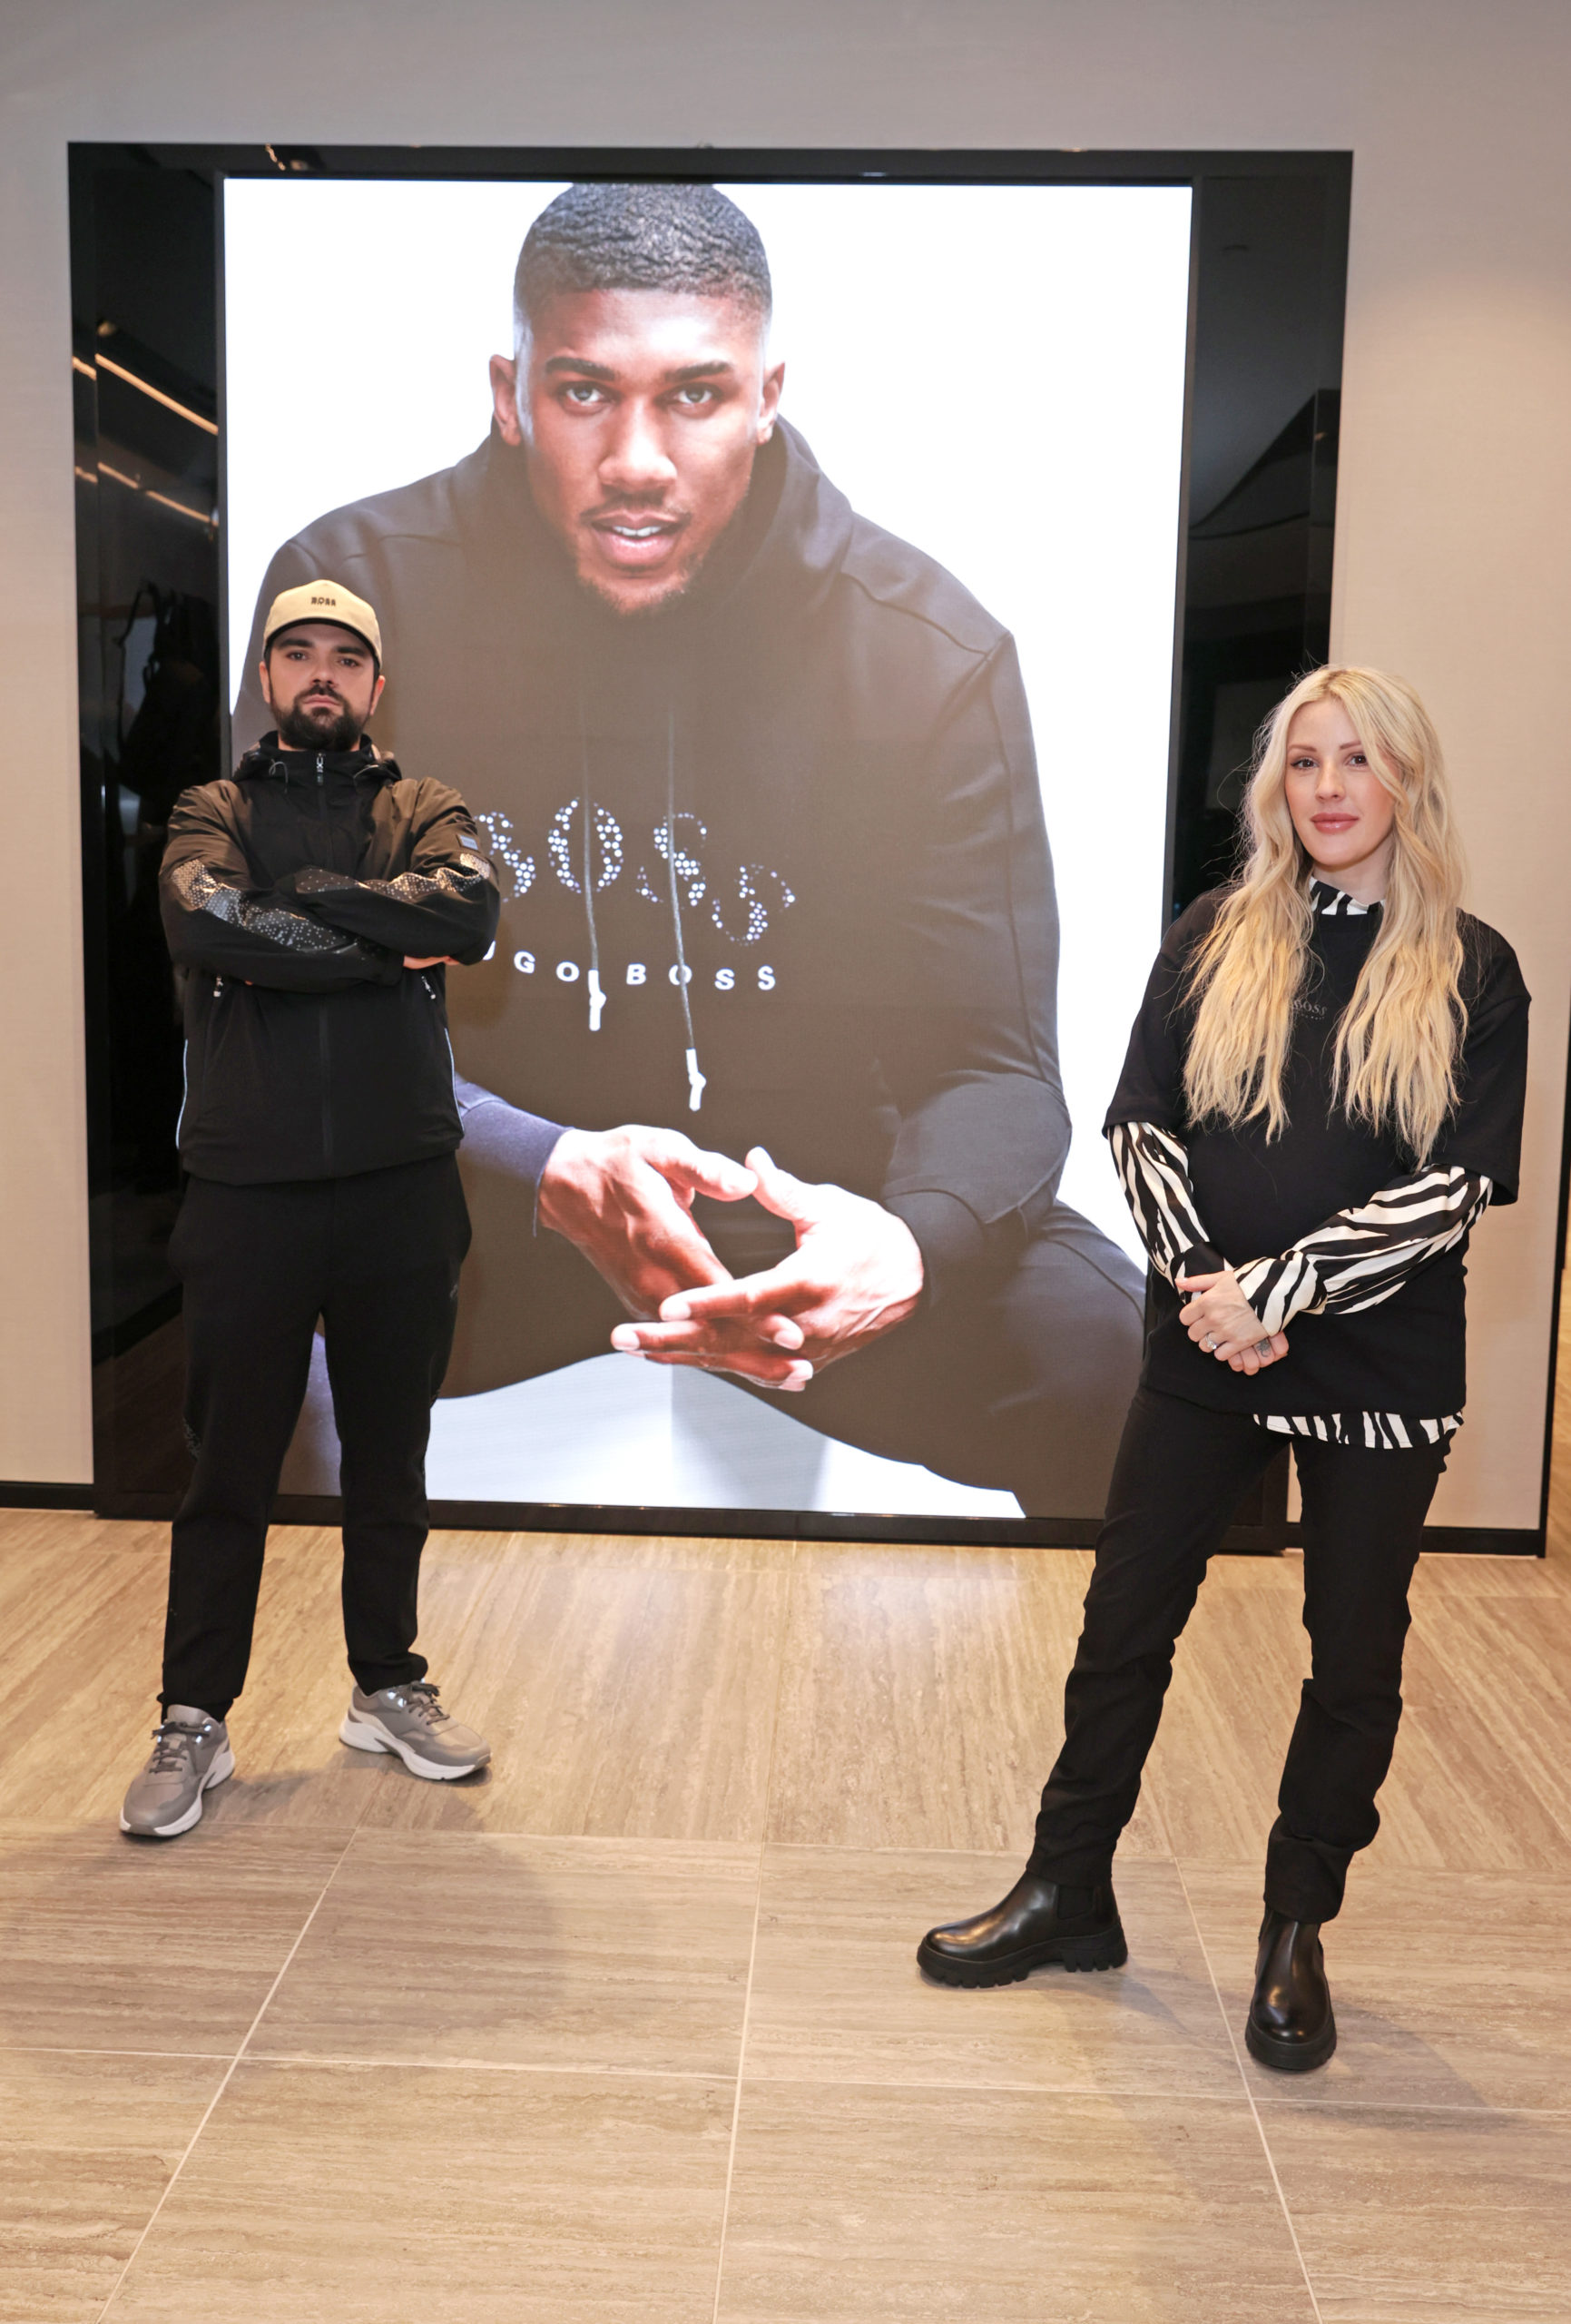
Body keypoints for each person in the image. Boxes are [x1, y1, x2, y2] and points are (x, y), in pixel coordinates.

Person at [233, 180, 1144, 1520]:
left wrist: (904, 1240)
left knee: (1117, 1362)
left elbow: (997, 1065)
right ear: (510, 394)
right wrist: (540, 1161)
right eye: (586, 392)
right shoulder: (361, 597)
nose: (639, 459)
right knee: (252, 1316)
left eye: (697, 396)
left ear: (768, 396)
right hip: (474, 1190)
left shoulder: (921, 649)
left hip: (796, 1217)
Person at [917, 665, 1529, 2071]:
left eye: (1357, 760)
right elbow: (1140, 1123)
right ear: (1274, 787)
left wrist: (1278, 1293)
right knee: (1125, 1622)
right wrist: (1210, 1289)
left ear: (1408, 781)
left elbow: (1452, 1190)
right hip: (1208, 1349)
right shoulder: (1215, 934)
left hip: (1381, 1369)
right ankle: (1068, 1890)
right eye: (1304, 762)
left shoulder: (1476, 968)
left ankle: (1294, 1928)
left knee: (1353, 1657)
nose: (1329, 787)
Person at [120, 580, 502, 1839]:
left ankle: (386, 1683)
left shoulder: (426, 806)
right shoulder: (211, 811)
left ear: (377, 685)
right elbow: (207, 922)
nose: (322, 673)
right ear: (267, 678)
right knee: (228, 1467)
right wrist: (384, 941)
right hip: (248, 1193)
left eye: (347, 656)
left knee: (390, 1456)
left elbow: (470, 911)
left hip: (402, 1186)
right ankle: (194, 1716)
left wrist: (306, 904)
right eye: (299, 654)